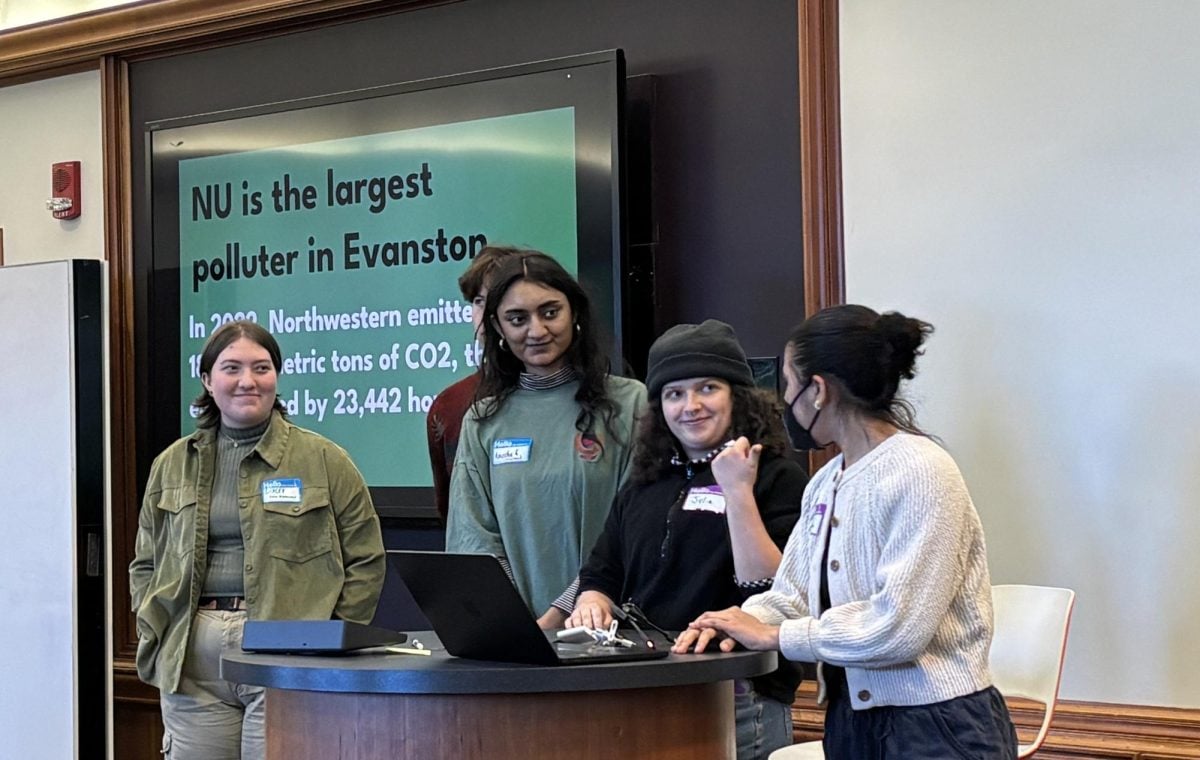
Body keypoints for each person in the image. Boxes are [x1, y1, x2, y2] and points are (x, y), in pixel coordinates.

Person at [675, 305, 1018, 760]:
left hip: (937, 726)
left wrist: (776, 637)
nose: (785, 401)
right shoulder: (826, 480)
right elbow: (791, 593)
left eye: (788, 385)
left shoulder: (921, 471)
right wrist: (730, 623)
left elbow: (898, 629)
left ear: (817, 391)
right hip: (852, 722)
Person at [129, 320, 386, 760]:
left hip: (288, 661)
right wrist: (157, 624)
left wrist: (328, 641)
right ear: (208, 381)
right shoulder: (171, 464)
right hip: (191, 659)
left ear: (276, 378)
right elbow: (145, 562)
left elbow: (366, 560)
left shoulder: (325, 460)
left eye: (261, 368)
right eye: (232, 368)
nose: (248, 381)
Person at [567, 319, 809, 760]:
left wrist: (737, 490)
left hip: (737, 695)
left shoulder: (778, 477)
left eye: (707, 388)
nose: (691, 406)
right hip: (647, 689)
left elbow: (775, 592)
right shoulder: (643, 484)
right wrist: (594, 599)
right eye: (675, 394)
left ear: (738, 394)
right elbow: (603, 569)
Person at [446, 251, 646, 628]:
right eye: (517, 319)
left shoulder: (630, 403)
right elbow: (473, 541)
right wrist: (518, 626)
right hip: (519, 643)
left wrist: (561, 613)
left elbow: (635, 528)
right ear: (498, 329)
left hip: (609, 631)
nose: (536, 331)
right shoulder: (482, 420)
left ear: (575, 313)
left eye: (550, 312)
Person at [426, 245, 523, 523]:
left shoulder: (574, 391)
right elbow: (453, 517)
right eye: (479, 302)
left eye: (497, 299)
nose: (486, 313)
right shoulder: (449, 405)